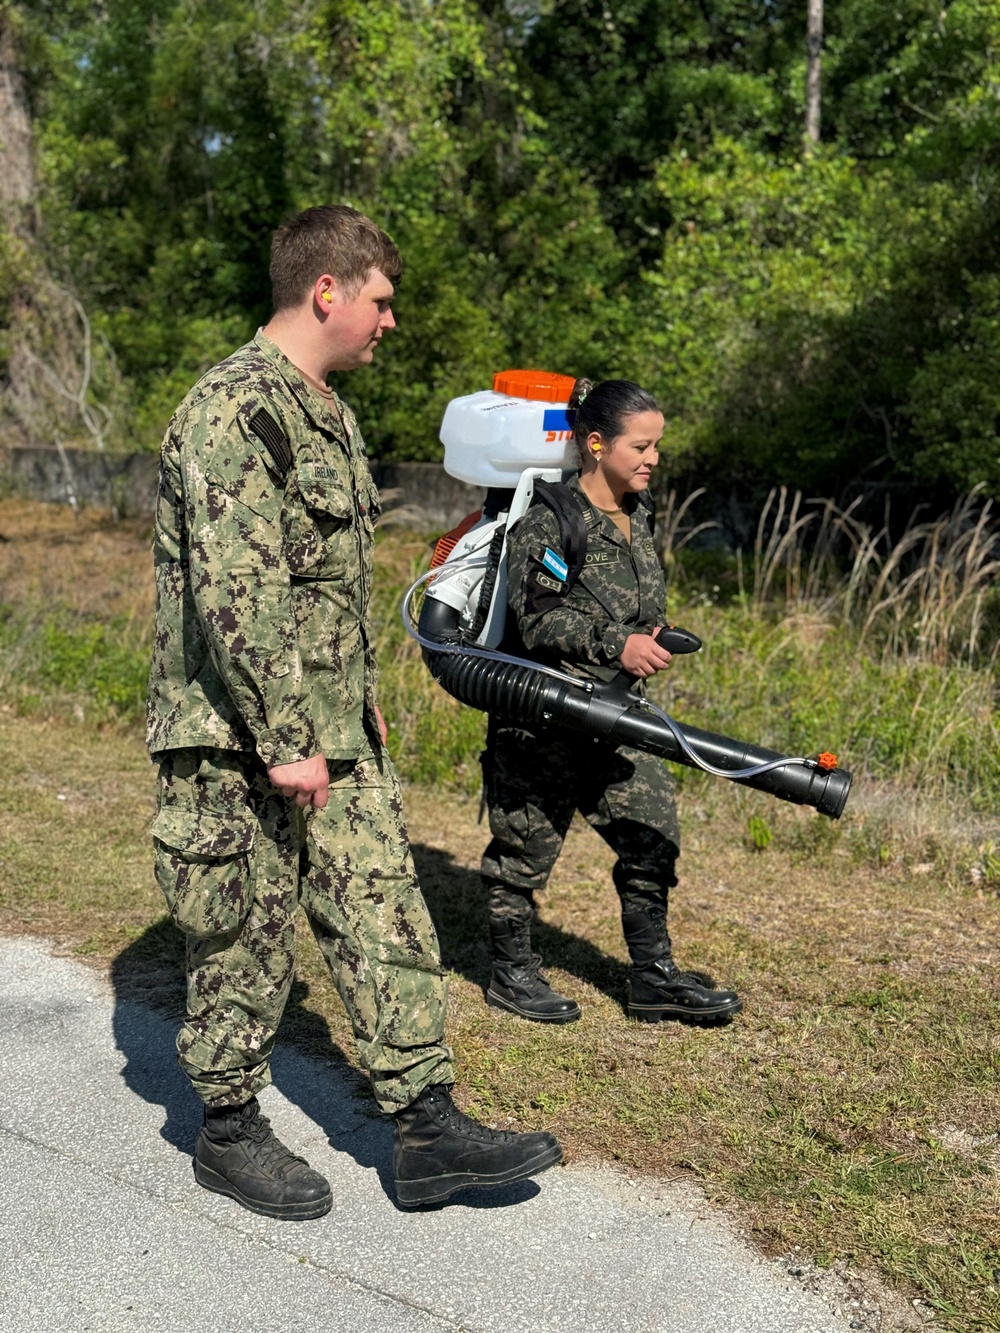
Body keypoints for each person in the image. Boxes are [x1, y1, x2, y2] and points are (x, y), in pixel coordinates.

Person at [146, 204, 561, 1218]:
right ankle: (229, 1126)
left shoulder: (324, 408)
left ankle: (425, 1125)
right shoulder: (233, 410)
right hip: (238, 737)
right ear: (325, 289)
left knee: (385, 908)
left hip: (330, 729)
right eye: (380, 300)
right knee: (243, 933)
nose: (389, 322)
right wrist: (286, 738)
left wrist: (356, 710)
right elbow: (237, 591)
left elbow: (322, 586)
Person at [480, 377, 743, 1027]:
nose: (653, 458)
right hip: (545, 713)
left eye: (658, 446)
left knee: (652, 837)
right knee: (523, 854)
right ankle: (511, 972)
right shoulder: (554, 519)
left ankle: (652, 978)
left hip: (618, 713)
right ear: (595, 444)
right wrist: (613, 642)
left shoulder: (640, 512)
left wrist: (648, 632)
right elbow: (537, 617)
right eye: (641, 445)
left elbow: (631, 602)